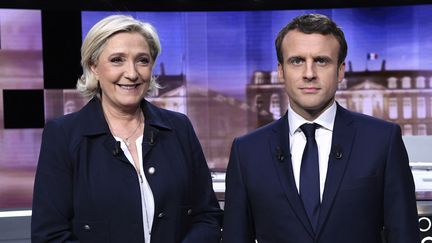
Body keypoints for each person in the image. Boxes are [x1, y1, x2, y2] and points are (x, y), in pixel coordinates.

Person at [222, 13, 420, 243]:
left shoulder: (382, 141)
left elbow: (404, 235)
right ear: (280, 71)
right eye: (296, 61)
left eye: (321, 61)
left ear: (340, 71)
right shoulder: (247, 152)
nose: (309, 74)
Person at [31, 14, 222, 243]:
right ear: (94, 67)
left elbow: (207, 217)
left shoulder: (179, 128)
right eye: (117, 60)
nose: (132, 73)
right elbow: (50, 236)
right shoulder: (63, 135)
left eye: (142, 60)